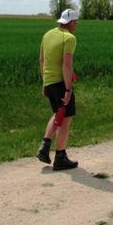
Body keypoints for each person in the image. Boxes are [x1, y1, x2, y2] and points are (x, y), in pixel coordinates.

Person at [36, 9, 79, 171]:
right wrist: (68, 90)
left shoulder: (47, 35)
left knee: (57, 113)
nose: (76, 25)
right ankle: (60, 157)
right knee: (66, 118)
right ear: (71, 22)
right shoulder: (69, 38)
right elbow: (66, 65)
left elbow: (42, 59)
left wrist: (44, 82)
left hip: (49, 82)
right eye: (76, 22)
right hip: (61, 83)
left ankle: (44, 147)